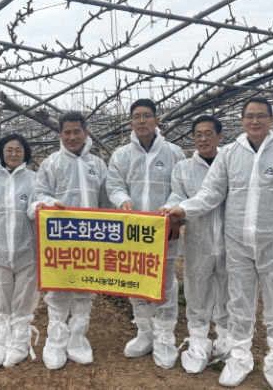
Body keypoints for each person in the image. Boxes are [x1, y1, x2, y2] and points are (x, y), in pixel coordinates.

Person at [164, 97, 273, 390]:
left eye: (261, 116)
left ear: (272, 120)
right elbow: (211, 193)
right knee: (239, 301)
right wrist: (183, 209)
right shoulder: (231, 154)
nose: (255, 121)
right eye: (249, 116)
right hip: (237, 242)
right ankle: (240, 356)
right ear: (242, 121)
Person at [106, 98, 185, 369]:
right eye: (136, 116)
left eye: (146, 116)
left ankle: (164, 335)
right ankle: (144, 332)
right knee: (134, 280)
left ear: (156, 120)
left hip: (164, 231)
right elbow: (114, 185)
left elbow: (180, 187)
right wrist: (122, 201)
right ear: (131, 122)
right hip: (132, 230)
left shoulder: (174, 153)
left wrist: (172, 211)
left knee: (165, 283)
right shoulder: (121, 155)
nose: (141, 121)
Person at [29, 111, 110, 370]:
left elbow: (106, 202)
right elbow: (38, 196)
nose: (72, 137)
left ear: (86, 133)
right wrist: (52, 203)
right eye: (67, 132)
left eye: (77, 132)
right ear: (60, 135)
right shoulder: (51, 163)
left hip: (91, 240)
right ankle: (55, 343)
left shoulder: (98, 164)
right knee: (58, 291)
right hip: (60, 241)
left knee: (85, 291)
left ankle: (77, 341)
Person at [159, 115, 230, 374]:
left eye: (208, 133)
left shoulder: (230, 164)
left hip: (231, 238)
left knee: (229, 289)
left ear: (219, 137)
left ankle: (226, 338)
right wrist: (170, 210)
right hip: (199, 237)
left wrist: (182, 208)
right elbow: (177, 195)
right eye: (198, 134)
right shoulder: (184, 168)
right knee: (196, 287)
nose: (202, 138)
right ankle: (198, 339)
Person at [0, 134, 39, 369]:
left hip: (27, 250)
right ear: (1, 153)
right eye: (9, 150)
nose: (14, 154)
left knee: (24, 298)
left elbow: (37, 208)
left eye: (18, 150)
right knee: (1, 297)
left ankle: (19, 343)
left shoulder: (34, 179)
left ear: (25, 153)